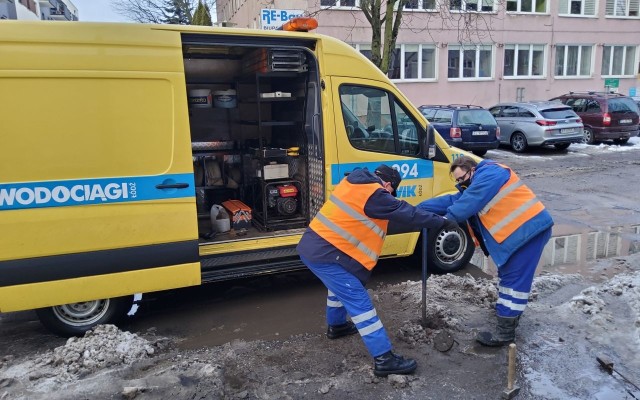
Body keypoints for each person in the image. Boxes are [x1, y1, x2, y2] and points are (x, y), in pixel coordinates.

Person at [296, 164, 458, 377]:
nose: (390, 196)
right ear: (389, 185)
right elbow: (405, 212)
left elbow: (380, 219)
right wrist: (441, 222)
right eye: (391, 193)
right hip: (327, 254)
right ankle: (384, 358)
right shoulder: (375, 194)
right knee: (360, 303)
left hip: (318, 248)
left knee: (338, 289)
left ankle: (337, 327)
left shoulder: (355, 183)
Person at [417, 155, 553, 347]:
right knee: (508, 277)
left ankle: (505, 331)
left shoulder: (492, 172)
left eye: (461, 179)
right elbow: (451, 200)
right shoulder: (477, 182)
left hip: (528, 232)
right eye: (457, 181)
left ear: (472, 169)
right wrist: (419, 208)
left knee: (514, 282)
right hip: (517, 235)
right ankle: (508, 316)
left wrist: (444, 221)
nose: (460, 184)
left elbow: (468, 203)